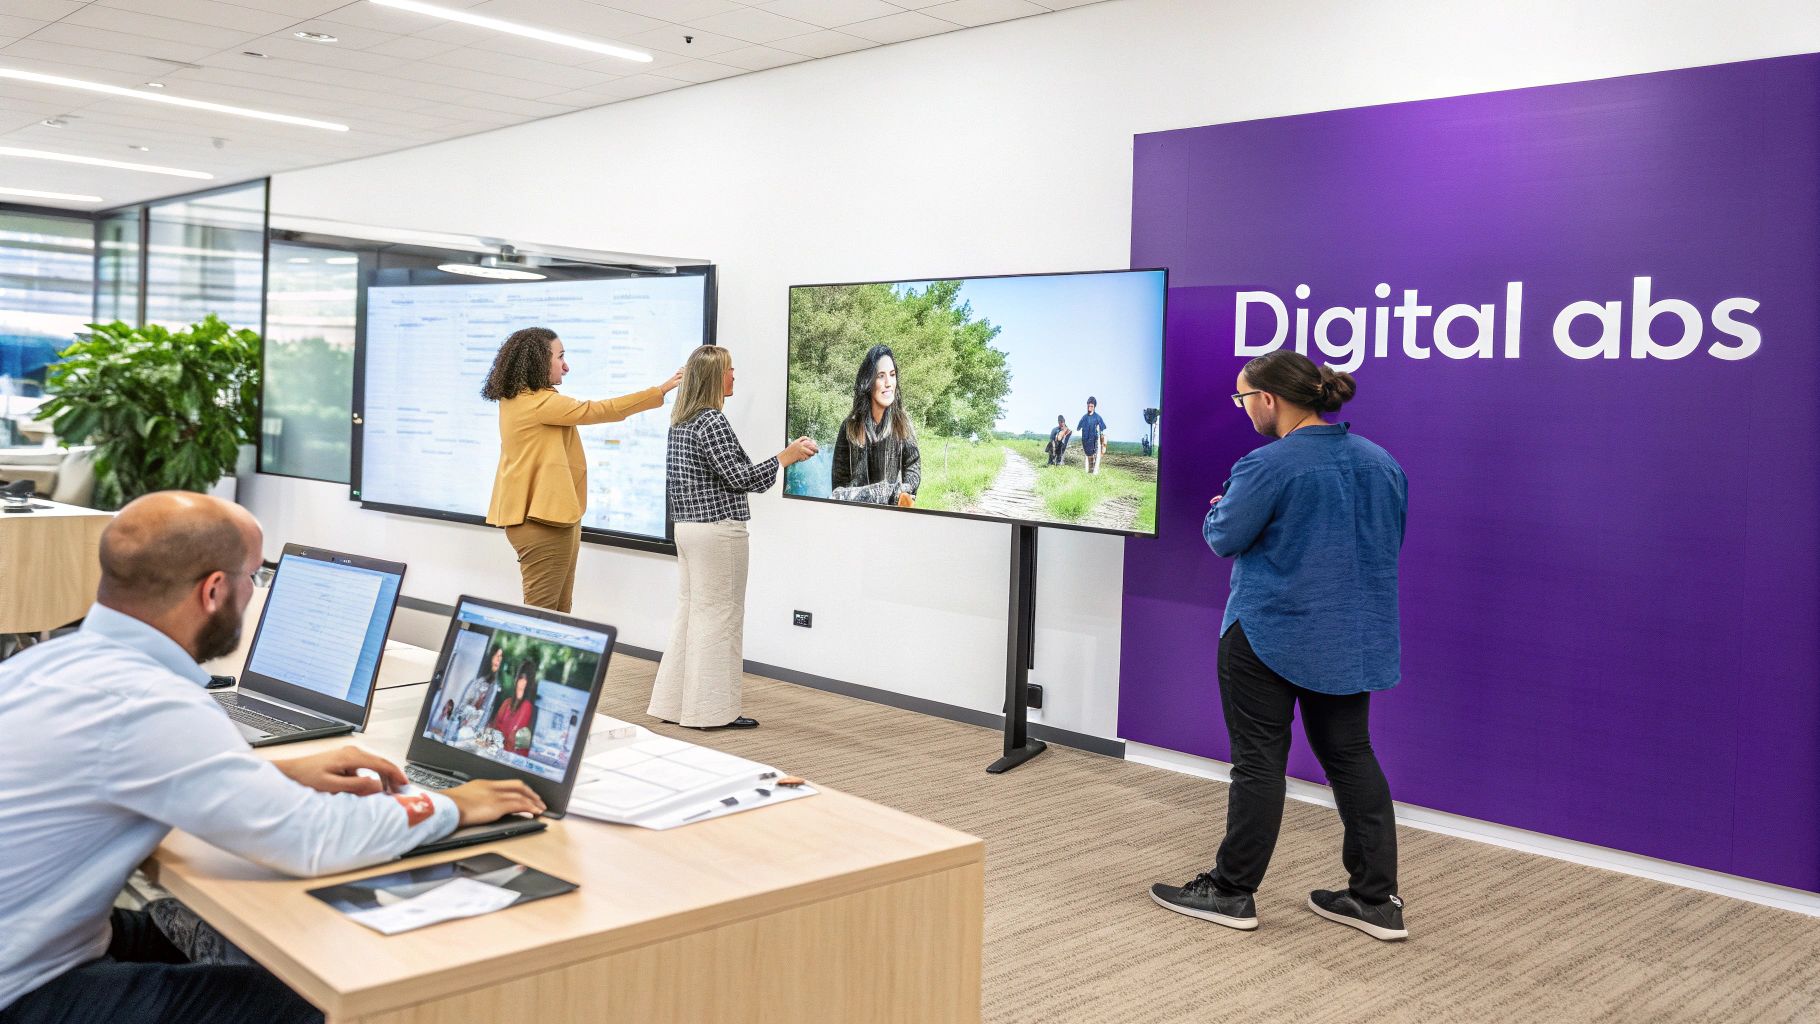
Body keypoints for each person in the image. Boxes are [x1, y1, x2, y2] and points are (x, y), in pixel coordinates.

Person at [0, 492, 545, 1024]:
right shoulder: (149, 701)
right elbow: (314, 840)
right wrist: (453, 806)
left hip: (42, 943)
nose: (253, 592)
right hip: (25, 990)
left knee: (211, 937)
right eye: (254, 577)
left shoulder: (44, 663)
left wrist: (269, 773)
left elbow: (119, 770)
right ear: (214, 590)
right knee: (319, 1003)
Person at [1148, 350, 1409, 941]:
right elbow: (1382, 543)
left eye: (1243, 399)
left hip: (1268, 634)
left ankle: (1232, 891)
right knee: (1353, 759)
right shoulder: (1382, 463)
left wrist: (1220, 512)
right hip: (1348, 639)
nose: (1243, 410)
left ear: (1268, 399)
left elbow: (1224, 538)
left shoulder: (1267, 465)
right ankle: (1376, 899)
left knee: (1259, 765)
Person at [648, 345, 817, 729]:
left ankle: (673, 705)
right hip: (718, 532)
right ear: (713, 377)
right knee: (720, 618)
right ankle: (711, 713)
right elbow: (741, 477)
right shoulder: (711, 422)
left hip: (687, 529)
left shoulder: (680, 423)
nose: (734, 375)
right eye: (729, 369)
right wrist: (786, 456)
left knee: (690, 614)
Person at [483, 326, 683, 612]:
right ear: (538, 360)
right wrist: (659, 391)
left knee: (558, 610)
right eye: (560, 357)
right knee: (541, 615)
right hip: (542, 523)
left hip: (548, 520)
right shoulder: (541, 404)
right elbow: (602, 410)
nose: (566, 367)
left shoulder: (516, 399)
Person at [830, 344, 919, 506]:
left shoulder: (902, 423)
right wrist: (886, 492)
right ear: (868, 382)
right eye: (880, 376)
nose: (888, 383)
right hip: (856, 514)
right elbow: (838, 485)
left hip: (891, 515)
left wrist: (904, 490)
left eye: (892, 375)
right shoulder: (849, 426)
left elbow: (913, 465)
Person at [489, 660, 538, 755]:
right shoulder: (507, 702)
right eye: (520, 678)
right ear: (516, 679)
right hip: (497, 752)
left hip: (511, 757)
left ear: (530, 685)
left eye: (526, 680)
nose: (522, 683)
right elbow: (493, 727)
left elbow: (512, 740)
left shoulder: (527, 707)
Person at [1077, 397, 1107, 474]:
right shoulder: (1084, 417)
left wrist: (1103, 444)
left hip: (1095, 441)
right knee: (1089, 459)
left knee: (1095, 460)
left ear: (1094, 407)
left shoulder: (1098, 418)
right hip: (1086, 442)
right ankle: (1090, 473)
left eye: (1091, 406)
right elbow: (1078, 428)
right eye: (1088, 406)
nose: (1089, 407)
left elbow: (1102, 431)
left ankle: (1094, 473)